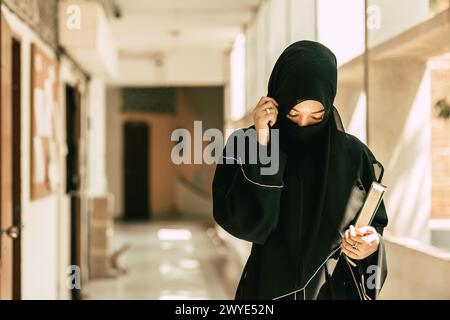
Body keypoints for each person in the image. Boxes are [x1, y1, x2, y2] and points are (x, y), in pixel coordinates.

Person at [212, 40, 388, 300]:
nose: (304, 124)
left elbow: (374, 228)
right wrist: (263, 142)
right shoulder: (244, 144)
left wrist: (371, 244)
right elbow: (245, 223)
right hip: (269, 289)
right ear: (277, 101)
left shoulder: (353, 156)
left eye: (317, 116)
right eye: (294, 114)